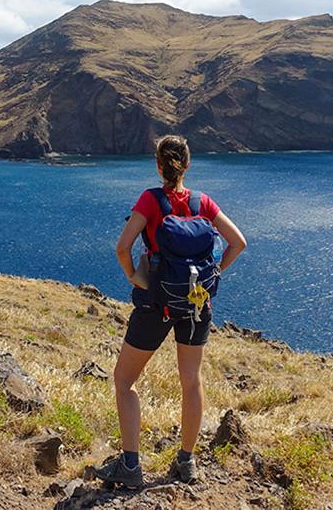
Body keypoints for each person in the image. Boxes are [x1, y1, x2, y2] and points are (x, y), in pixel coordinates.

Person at [95, 135, 247, 487]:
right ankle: (186, 462)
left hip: (156, 303)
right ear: (187, 165)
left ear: (159, 165)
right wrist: (213, 274)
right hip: (197, 304)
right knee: (191, 381)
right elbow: (239, 242)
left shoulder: (151, 200)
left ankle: (131, 466)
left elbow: (122, 247)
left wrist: (137, 277)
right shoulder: (202, 202)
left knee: (124, 381)